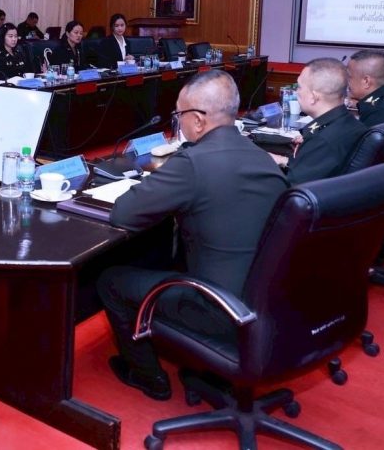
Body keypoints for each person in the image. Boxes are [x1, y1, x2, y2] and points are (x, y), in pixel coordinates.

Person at [98, 70, 288, 400]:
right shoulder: (263, 157)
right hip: (269, 302)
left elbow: (123, 214)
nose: (178, 123)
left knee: (110, 280)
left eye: (179, 116)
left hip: (218, 307)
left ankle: (148, 377)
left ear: (198, 120)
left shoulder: (193, 163)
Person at [271, 57, 368, 184]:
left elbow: (295, 190)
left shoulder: (322, 141)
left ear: (313, 97)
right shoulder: (351, 123)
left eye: (299, 87)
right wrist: (283, 161)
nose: (296, 92)